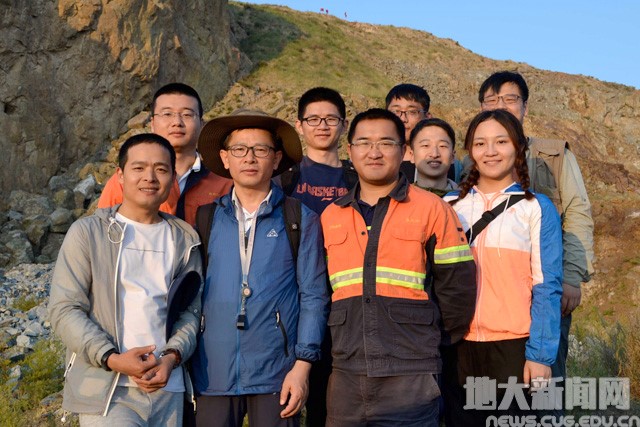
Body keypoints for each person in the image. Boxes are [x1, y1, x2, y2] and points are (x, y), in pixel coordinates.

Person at [320, 108, 476, 426]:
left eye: (386, 143)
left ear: (403, 151)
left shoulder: (433, 209)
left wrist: (425, 344)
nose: (374, 152)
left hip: (411, 374)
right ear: (349, 151)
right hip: (347, 373)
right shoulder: (330, 216)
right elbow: (321, 291)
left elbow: (457, 289)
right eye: (364, 143)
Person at [49, 133, 203, 426]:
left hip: (168, 387)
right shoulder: (88, 233)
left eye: (161, 169)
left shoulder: (185, 239)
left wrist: (171, 357)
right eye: (139, 168)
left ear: (172, 177)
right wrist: (111, 358)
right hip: (107, 390)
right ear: (120, 175)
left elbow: (191, 312)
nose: (150, 177)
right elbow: (64, 308)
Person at [192, 109, 330, 427]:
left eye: (261, 150)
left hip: (277, 372)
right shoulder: (206, 217)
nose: (249, 158)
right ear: (225, 158)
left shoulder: (299, 218)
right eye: (240, 149)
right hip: (213, 370)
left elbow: (313, 296)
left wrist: (303, 364)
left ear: (276, 158)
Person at [477, 71, 594, 408]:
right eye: (491, 101)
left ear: (525, 107)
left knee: (545, 382)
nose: (501, 106)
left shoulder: (553, 156)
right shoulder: (473, 159)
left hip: (548, 289)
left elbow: (577, 212)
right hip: (497, 295)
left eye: (510, 99)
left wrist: (572, 276)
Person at [444, 109, 563, 425]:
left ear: (518, 147)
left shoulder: (536, 208)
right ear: (470, 151)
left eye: (501, 141)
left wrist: (540, 356)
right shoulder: (448, 206)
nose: (490, 151)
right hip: (458, 347)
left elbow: (547, 285)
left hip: (514, 349)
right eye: (480, 143)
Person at [98, 83, 232, 226]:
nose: (177, 122)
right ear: (152, 123)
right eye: (167, 114)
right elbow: (102, 228)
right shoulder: (127, 180)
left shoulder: (224, 180)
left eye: (187, 114)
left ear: (201, 124)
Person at [410, 117, 459, 197]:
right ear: (412, 155)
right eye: (426, 145)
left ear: (453, 156)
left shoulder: (468, 201)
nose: (434, 154)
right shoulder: (401, 199)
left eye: (442, 146)